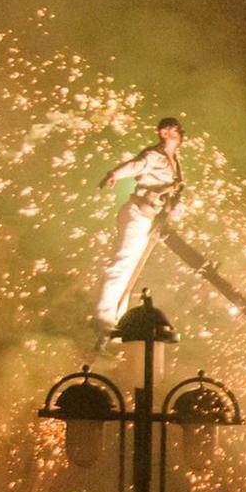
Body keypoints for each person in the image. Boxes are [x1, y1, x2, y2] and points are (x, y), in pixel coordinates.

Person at [93, 117, 184, 333]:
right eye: (164, 131)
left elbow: (173, 193)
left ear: (178, 135)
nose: (166, 135)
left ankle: (115, 320)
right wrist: (114, 173)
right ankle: (103, 316)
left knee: (130, 270)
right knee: (122, 264)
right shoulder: (154, 156)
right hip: (136, 215)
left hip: (147, 219)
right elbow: (136, 165)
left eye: (171, 132)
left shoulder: (174, 162)